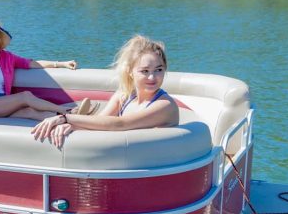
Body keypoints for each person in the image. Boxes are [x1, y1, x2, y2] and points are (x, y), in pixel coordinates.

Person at [31, 35, 179, 147]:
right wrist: (70, 127)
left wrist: (65, 118)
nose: (152, 77)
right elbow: (101, 122)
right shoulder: (124, 96)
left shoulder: (165, 105)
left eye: (159, 70)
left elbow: (120, 124)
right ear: (130, 72)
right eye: (145, 71)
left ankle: (72, 113)